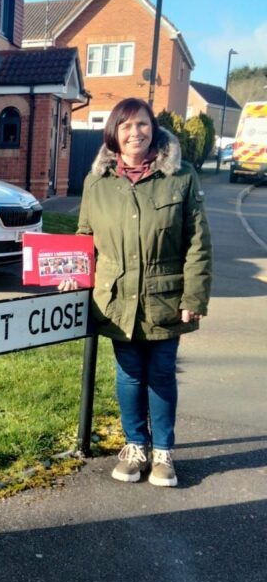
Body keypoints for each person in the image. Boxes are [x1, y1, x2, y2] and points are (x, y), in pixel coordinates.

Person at [62, 97, 211, 487]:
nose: (135, 133)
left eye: (142, 124)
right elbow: (85, 238)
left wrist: (193, 298)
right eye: (126, 126)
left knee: (160, 373)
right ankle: (135, 446)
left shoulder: (181, 176)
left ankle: (163, 453)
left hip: (165, 296)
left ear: (154, 129)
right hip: (116, 299)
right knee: (128, 375)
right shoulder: (97, 182)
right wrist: (70, 273)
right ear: (114, 133)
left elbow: (197, 242)